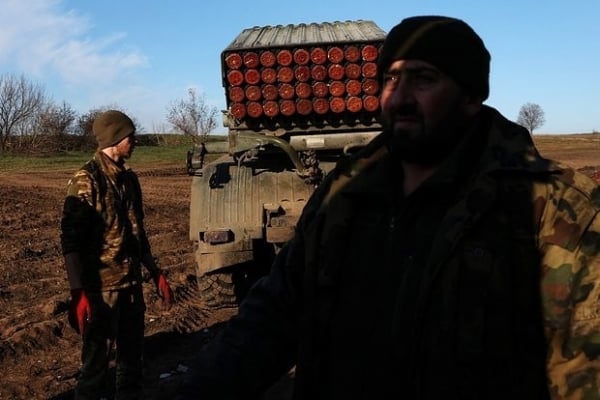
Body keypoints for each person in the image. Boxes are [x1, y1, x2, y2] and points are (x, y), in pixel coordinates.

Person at [176, 16, 600, 400]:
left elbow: (583, 373)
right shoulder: (345, 193)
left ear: (471, 94)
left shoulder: (554, 210)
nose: (399, 98)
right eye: (390, 79)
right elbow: (273, 316)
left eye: (423, 78)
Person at [60, 109, 174, 399]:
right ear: (116, 138)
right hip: (102, 290)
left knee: (131, 365)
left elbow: (138, 233)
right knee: (95, 370)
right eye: (130, 136)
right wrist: (78, 292)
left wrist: (155, 271)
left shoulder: (129, 180)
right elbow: (70, 242)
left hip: (131, 286)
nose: (135, 141)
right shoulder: (87, 180)